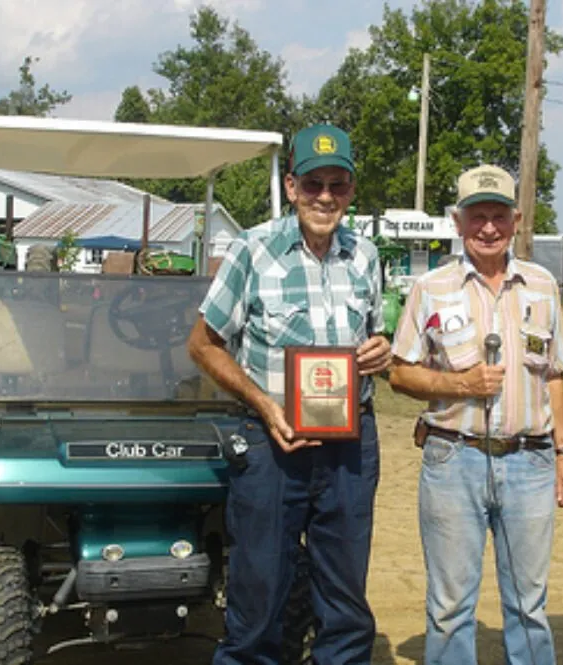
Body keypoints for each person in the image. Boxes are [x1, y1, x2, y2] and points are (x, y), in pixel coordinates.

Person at [186, 123, 391, 664]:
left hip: (350, 447)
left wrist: (383, 353)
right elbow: (203, 344)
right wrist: (263, 404)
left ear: (351, 190)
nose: (326, 196)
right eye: (314, 183)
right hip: (272, 446)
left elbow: (380, 338)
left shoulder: (366, 256)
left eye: (338, 185)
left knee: (345, 605)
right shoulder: (252, 250)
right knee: (258, 601)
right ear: (291, 185)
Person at [388, 165, 563, 665]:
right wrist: (458, 385)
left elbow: (556, 375)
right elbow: (400, 373)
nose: (489, 227)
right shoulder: (430, 288)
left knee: (528, 603)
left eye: (499, 215)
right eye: (478, 216)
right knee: (451, 606)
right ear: (458, 220)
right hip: (454, 459)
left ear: (517, 220)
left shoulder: (542, 286)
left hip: (531, 462)